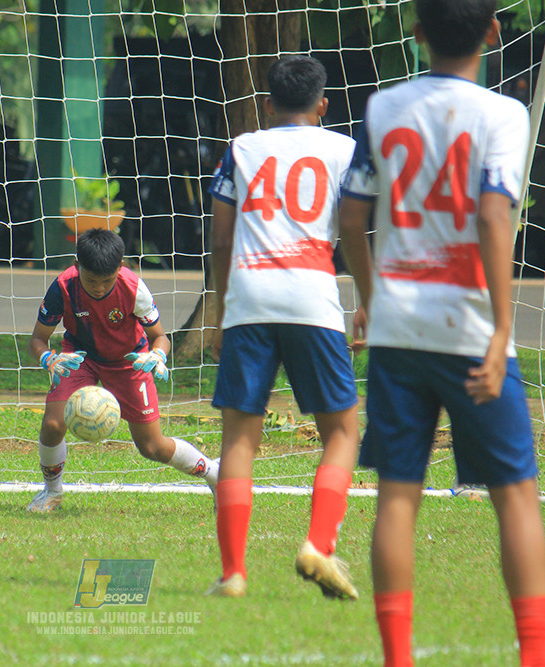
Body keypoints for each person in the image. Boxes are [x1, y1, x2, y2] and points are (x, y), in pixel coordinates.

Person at [338, 1, 545, 665]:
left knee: (398, 495)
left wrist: (373, 303)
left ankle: (397, 656)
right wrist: (502, 330)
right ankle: (536, 654)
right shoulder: (504, 115)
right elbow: (494, 218)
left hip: (401, 330)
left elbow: (350, 218)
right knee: (514, 494)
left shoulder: (383, 108)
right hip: (471, 329)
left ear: (416, 31)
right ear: (494, 32)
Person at [205, 55, 362, 599]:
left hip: (249, 299)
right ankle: (319, 543)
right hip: (313, 300)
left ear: (266, 105)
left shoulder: (243, 147)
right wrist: (365, 301)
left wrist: (224, 310)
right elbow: (358, 229)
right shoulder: (344, 150)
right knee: (342, 432)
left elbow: (222, 239)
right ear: (322, 106)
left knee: (239, 440)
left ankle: (232, 574)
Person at [26, 228, 219, 513]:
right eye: (92, 281)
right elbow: (37, 340)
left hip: (130, 361)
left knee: (152, 447)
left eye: (108, 280)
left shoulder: (134, 288)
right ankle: (51, 492)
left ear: (121, 267)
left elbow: (160, 337)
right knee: (53, 424)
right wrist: (48, 359)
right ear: (77, 266)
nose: (100, 288)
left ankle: (215, 474)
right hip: (81, 357)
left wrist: (157, 356)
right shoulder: (63, 287)